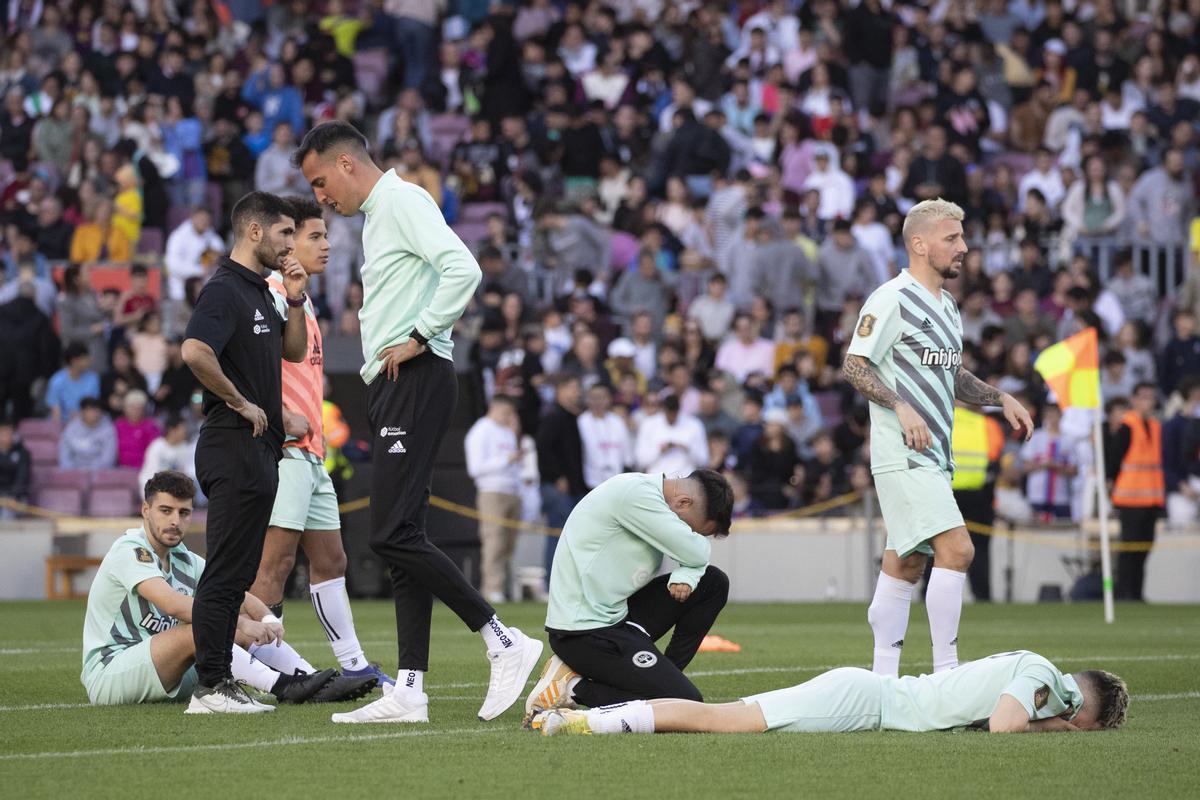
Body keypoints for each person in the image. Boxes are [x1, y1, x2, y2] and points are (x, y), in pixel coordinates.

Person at [293, 121, 541, 723]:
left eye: (321, 181)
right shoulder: (383, 213)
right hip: (395, 384)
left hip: (417, 374)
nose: (320, 197)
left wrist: (419, 335)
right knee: (404, 533)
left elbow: (465, 268)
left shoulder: (401, 201)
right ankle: (409, 689)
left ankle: (503, 640)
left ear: (347, 164)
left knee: (388, 535)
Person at [841, 198, 1033, 678]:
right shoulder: (891, 298)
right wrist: (900, 404)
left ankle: (882, 678)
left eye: (962, 237)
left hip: (934, 458)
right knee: (959, 549)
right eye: (952, 238)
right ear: (919, 244)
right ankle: (947, 673)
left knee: (905, 565)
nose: (964, 247)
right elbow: (853, 364)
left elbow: (952, 374)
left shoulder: (947, 305)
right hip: (903, 455)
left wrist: (998, 397)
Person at [242, 197, 392, 687]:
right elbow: (242, 365)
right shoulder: (267, 294)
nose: (326, 246)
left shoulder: (300, 299)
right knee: (275, 564)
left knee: (331, 560)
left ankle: (353, 666)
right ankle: (261, 669)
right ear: (287, 242)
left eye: (326, 236)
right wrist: (279, 418)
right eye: (314, 237)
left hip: (312, 457)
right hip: (283, 452)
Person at [80, 470, 374, 710]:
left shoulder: (183, 558)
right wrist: (242, 624)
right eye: (165, 511)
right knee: (202, 629)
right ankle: (284, 687)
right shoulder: (130, 550)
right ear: (145, 510)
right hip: (112, 673)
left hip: (164, 671)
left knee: (224, 622)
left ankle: (311, 680)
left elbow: (236, 593)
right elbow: (171, 604)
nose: (175, 521)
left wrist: (267, 620)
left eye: (183, 513)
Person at [180, 191, 310, 714]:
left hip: (260, 449)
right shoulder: (224, 290)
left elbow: (293, 352)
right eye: (283, 232)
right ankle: (211, 686)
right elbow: (194, 350)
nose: (290, 242)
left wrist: (296, 298)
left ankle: (222, 683)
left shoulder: (263, 291)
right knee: (224, 573)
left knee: (236, 574)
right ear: (254, 232)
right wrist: (239, 401)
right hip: (231, 445)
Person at [523, 470, 733, 726]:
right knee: (686, 701)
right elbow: (696, 551)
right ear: (683, 503)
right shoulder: (636, 495)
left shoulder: (646, 493)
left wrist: (689, 573)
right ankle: (572, 687)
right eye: (690, 529)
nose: (690, 534)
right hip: (583, 633)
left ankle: (662, 676)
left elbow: (695, 557)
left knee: (713, 583)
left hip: (616, 615)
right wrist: (692, 562)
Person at [532, 650, 1128, 737]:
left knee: (725, 717)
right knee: (721, 720)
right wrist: (1061, 730)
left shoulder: (1037, 671)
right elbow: (1003, 728)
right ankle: (579, 717)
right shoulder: (1043, 677)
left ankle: (576, 703)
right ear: (1081, 705)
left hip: (868, 698)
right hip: (866, 702)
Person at [1106, 382, 1165, 602]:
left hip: (1150, 499)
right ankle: (1125, 593)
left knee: (1144, 547)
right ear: (1134, 399)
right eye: (1143, 397)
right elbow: (1114, 460)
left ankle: (1137, 593)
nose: (1148, 402)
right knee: (1129, 548)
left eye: (1151, 397)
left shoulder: (1156, 426)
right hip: (1130, 499)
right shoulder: (1127, 426)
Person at [465, 395, 524, 605]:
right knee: (494, 541)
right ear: (495, 408)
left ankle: (503, 585)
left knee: (508, 543)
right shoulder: (481, 430)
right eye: (506, 413)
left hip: (512, 490)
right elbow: (475, 468)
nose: (509, 417)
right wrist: (505, 460)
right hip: (492, 491)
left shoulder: (507, 431)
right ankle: (491, 588)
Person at [950, 402, 1005, 602]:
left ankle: (929, 593)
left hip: (944, 493)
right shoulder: (988, 425)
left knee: (937, 548)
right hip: (978, 496)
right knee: (979, 550)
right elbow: (995, 460)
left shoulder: (941, 420)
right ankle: (982, 596)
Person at [537, 374, 587, 583]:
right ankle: (552, 582)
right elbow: (542, 446)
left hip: (574, 487)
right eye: (573, 387)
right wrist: (557, 476)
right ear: (561, 390)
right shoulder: (554, 416)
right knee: (558, 535)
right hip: (558, 488)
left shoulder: (573, 417)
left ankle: (566, 582)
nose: (577, 392)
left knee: (571, 537)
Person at [578, 383, 633, 491]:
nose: (598, 401)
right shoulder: (581, 422)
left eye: (602, 397)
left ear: (609, 399)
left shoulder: (617, 421)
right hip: (590, 483)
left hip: (616, 482)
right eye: (594, 397)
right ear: (588, 399)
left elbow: (627, 454)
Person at [44, 342, 100, 422]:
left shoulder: (93, 378)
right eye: (85, 358)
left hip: (87, 421)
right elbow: (55, 412)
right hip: (63, 423)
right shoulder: (56, 381)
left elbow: (92, 406)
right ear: (74, 360)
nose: (89, 361)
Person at [58, 396, 117, 470]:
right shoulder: (71, 428)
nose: (94, 414)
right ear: (82, 412)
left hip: (100, 474)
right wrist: (72, 473)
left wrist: (89, 473)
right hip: (74, 473)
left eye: (96, 410)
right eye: (90, 410)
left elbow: (108, 459)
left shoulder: (108, 429)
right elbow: (65, 456)